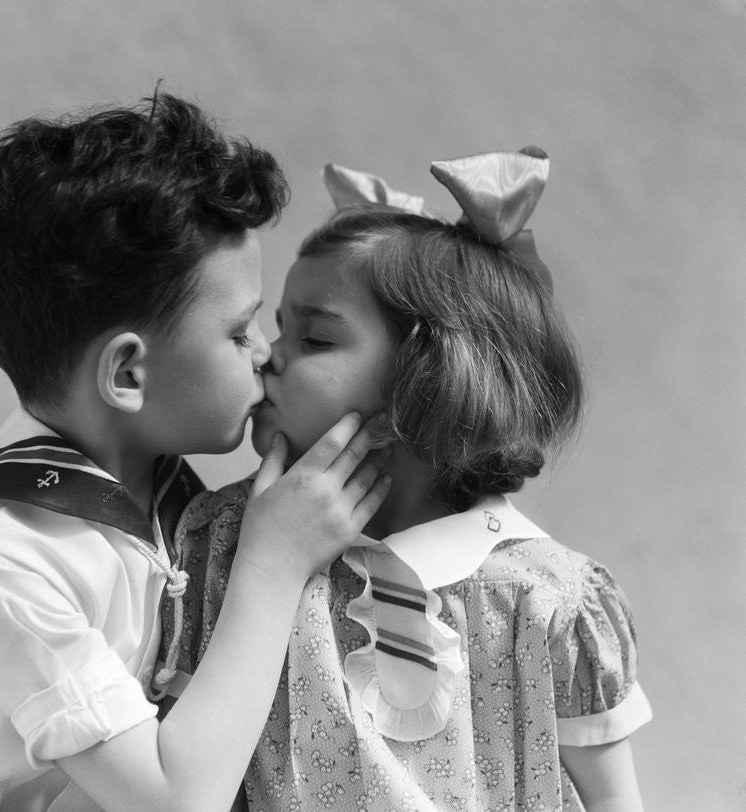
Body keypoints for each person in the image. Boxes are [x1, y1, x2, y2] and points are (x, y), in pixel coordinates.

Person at [0, 93, 392, 812]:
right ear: (127, 375)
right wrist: (273, 563)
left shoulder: (162, 497)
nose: (266, 355)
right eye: (240, 331)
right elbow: (175, 802)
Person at [161, 149, 653, 811]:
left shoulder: (543, 597)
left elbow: (615, 800)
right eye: (280, 327)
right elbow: (182, 759)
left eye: (314, 339)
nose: (266, 355)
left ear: (418, 388)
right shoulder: (218, 543)